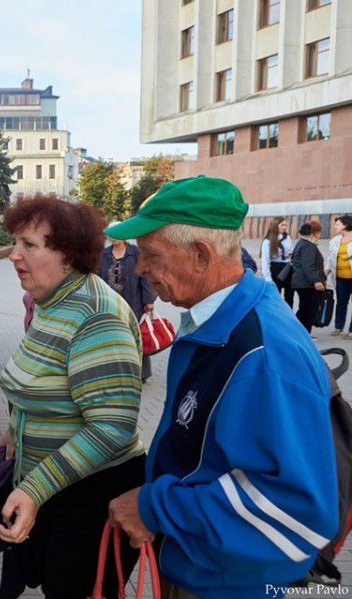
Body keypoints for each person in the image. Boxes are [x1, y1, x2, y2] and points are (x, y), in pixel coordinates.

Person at [106, 176, 337, 598]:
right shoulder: (220, 321)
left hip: (226, 584)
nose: (140, 268)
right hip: (203, 567)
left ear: (200, 255)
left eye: (151, 255)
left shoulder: (262, 353)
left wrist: (154, 508)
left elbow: (294, 513)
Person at [0, 194, 146, 598]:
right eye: (16, 242)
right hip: (56, 489)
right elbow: (40, 381)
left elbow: (112, 427)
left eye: (29, 245)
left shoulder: (96, 315)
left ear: (69, 256)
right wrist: (15, 429)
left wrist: (34, 488)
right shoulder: (51, 301)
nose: (14, 255)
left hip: (91, 498)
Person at [98, 232, 157, 381]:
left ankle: (141, 373)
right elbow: (97, 277)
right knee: (112, 335)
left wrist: (148, 300)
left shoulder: (135, 252)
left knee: (135, 336)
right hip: (110, 303)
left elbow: (145, 276)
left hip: (133, 302)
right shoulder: (103, 254)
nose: (114, 237)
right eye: (112, 234)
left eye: (118, 233)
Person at [291, 221, 327, 334]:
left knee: (304, 309)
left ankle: (299, 332)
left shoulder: (302, 242)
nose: (320, 234)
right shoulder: (309, 246)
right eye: (319, 232)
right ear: (314, 233)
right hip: (306, 284)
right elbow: (308, 266)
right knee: (307, 310)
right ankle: (304, 333)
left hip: (301, 282)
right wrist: (316, 281)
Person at [327, 215, 352, 338]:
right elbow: (330, 257)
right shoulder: (335, 240)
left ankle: (351, 331)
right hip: (340, 277)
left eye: (337, 224)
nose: (335, 227)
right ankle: (338, 326)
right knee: (341, 302)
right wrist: (325, 272)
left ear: (345, 225)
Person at [261, 217, 295, 306]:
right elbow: (265, 261)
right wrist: (268, 279)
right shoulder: (267, 241)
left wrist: (289, 253)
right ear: (276, 226)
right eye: (282, 225)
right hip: (276, 268)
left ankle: (289, 316)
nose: (284, 227)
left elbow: (292, 250)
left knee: (290, 295)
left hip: (288, 268)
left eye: (285, 225)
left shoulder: (287, 237)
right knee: (276, 296)